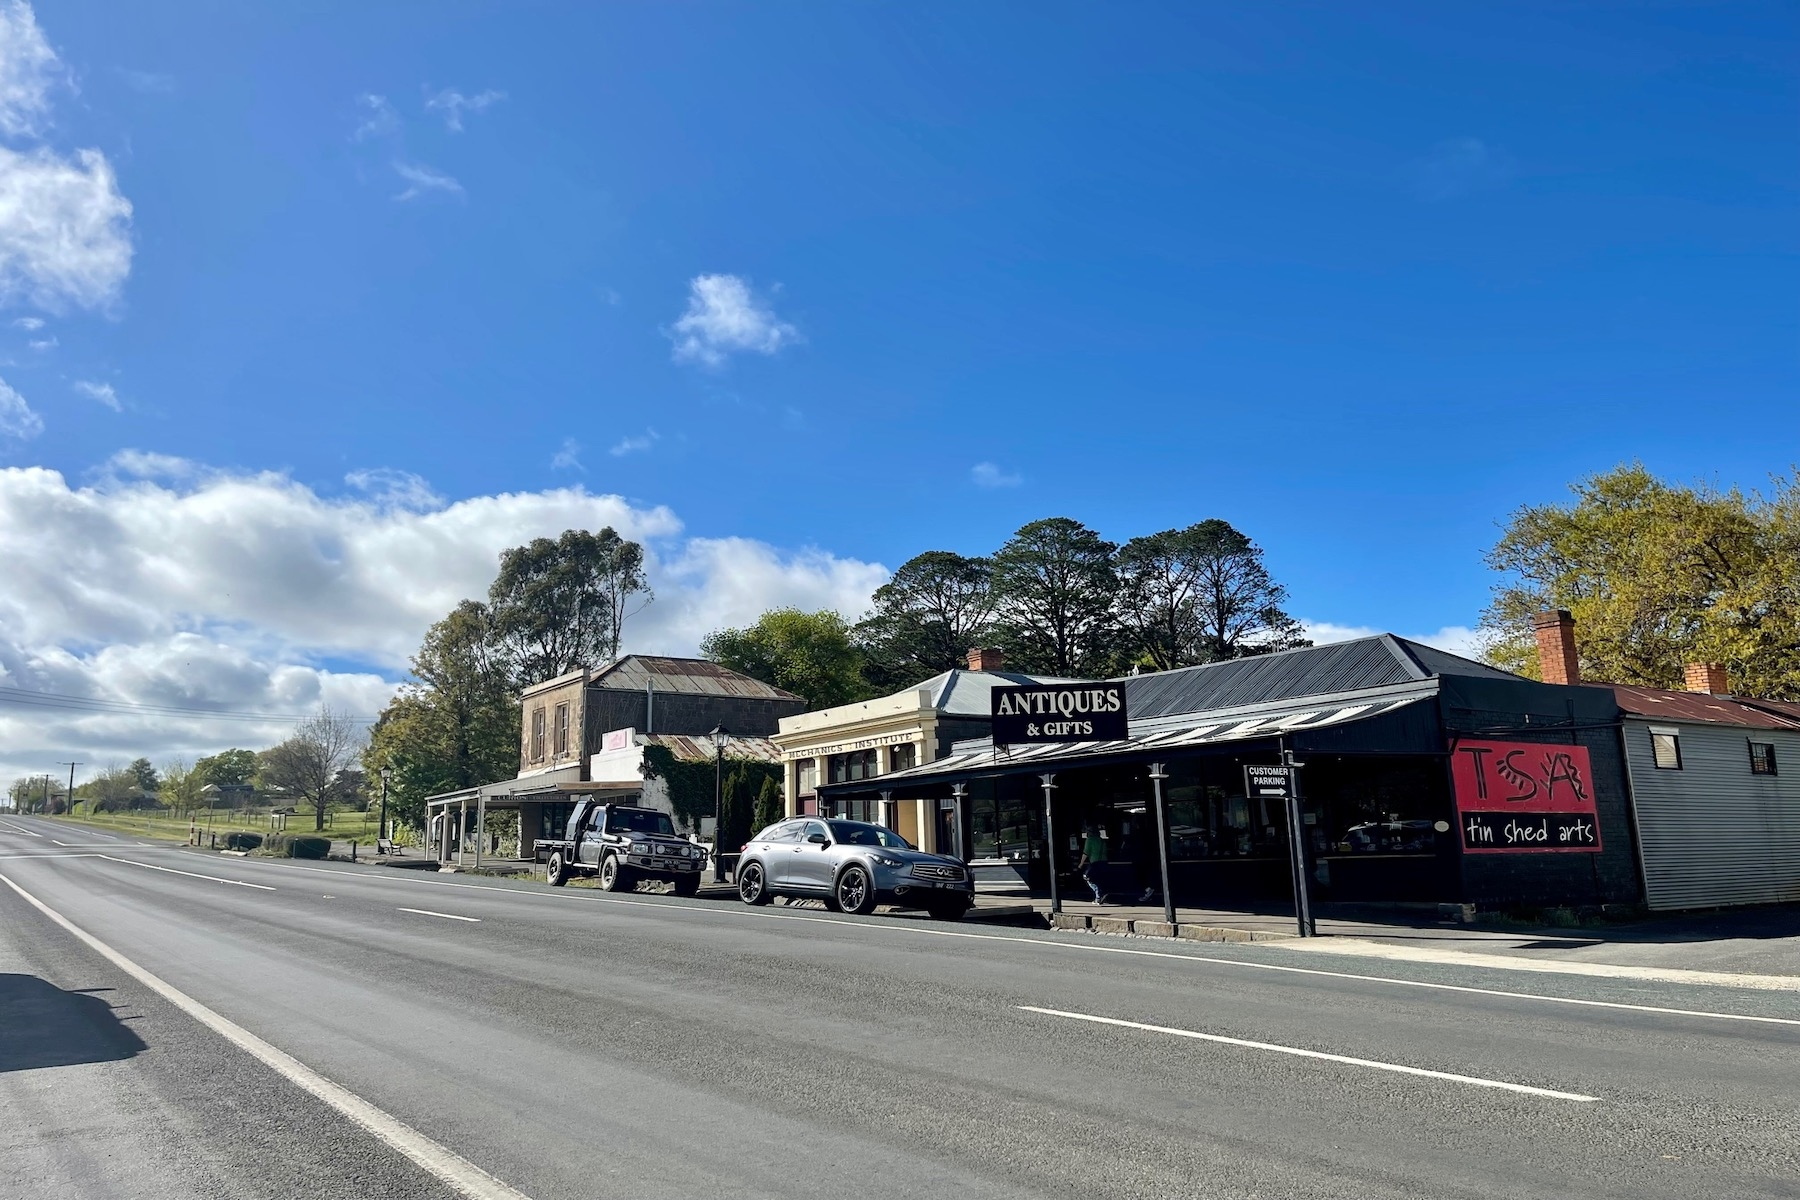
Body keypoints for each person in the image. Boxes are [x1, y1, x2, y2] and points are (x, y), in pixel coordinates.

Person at [1076, 822, 1109, 903]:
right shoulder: (1101, 840)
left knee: (1087, 877)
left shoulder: (1089, 840)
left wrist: (1080, 864)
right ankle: (1101, 895)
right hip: (1104, 862)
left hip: (1094, 862)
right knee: (1099, 879)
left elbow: (1086, 853)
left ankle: (1099, 895)